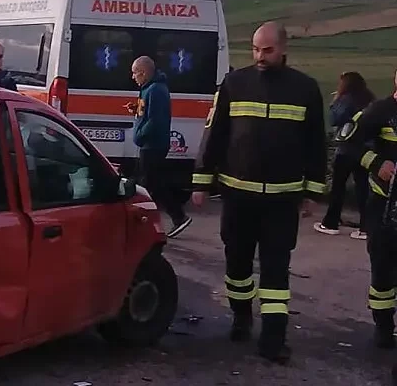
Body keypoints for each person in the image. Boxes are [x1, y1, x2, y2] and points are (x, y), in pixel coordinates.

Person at [190, 21, 327, 364]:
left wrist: (313, 191)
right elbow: (215, 132)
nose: (260, 56)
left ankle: (273, 339)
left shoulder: (305, 89)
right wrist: (201, 181)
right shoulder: (235, 84)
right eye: (255, 49)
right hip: (239, 196)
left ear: (283, 49)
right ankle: (240, 317)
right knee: (237, 264)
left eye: (267, 50)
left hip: (282, 198)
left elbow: (315, 143)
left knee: (276, 270)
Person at [336, 69, 397, 348]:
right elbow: (348, 142)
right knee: (383, 270)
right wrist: (376, 163)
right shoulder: (381, 111)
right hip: (385, 206)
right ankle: (384, 327)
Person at [128, 55, 192, 237]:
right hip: (150, 144)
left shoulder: (156, 90)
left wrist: (139, 136)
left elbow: (156, 120)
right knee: (149, 183)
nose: (133, 77)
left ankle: (176, 217)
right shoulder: (149, 88)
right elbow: (148, 112)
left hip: (153, 145)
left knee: (150, 184)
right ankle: (167, 218)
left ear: (145, 72)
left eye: (135, 73)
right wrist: (136, 109)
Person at [314, 71, 375, 238]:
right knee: (363, 188)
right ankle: (365, 227)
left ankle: (330, 223)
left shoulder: (345, 100)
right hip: (365, 151)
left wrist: (335, 102)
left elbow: (334, 119)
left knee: (338, 187)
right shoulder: (370, 100)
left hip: (347, 150)